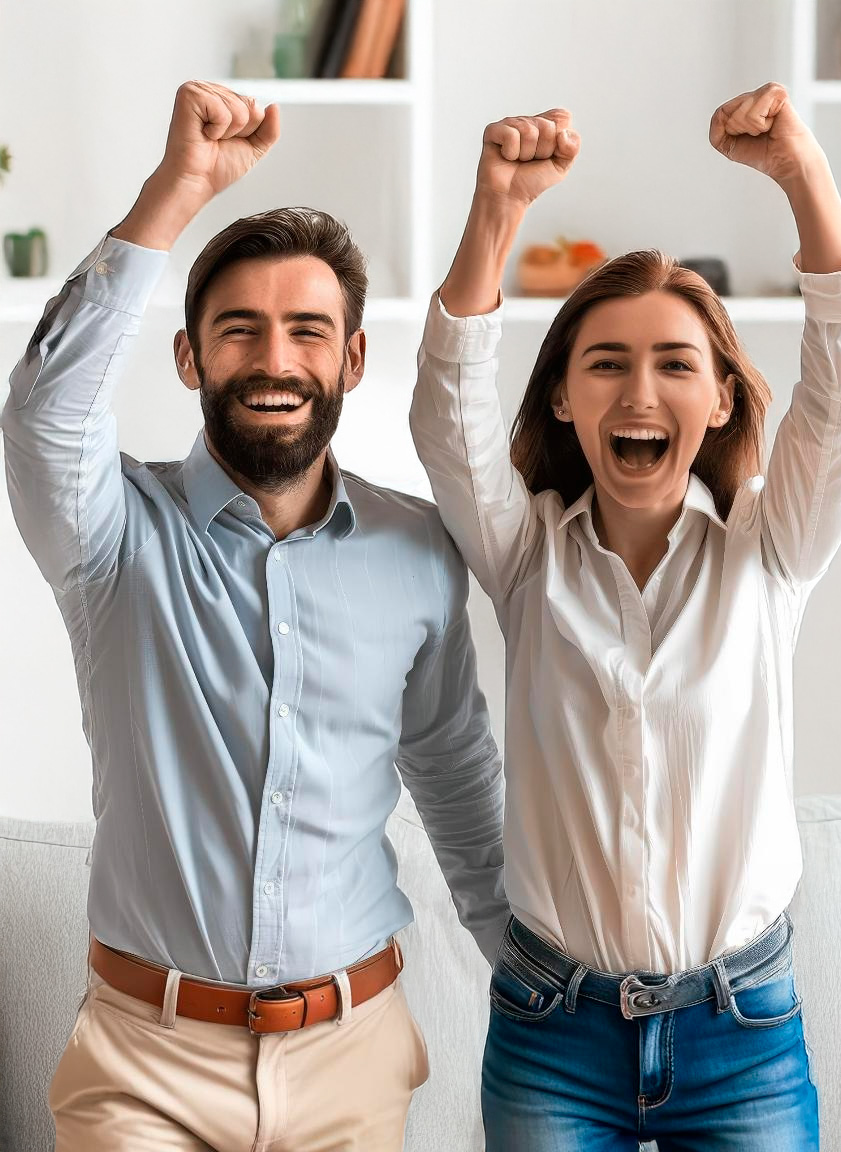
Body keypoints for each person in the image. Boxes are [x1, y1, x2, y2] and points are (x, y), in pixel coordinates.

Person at [1, 81, 508, 1151]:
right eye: (239, 331)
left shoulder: (417, 552)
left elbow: (459, 787)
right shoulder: (110, 534)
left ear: (350, 362)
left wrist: (550, 988)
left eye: (306, 331)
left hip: (352, 1057)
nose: (274, 360)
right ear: (190, 359)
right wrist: (175, 190)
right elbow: (45, 410)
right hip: (145, 1061)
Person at [409, 83, 841, 1150]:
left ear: (718, 400)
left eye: (675, 364)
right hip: (552, 1033)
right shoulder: (523, 551)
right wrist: (496, 208)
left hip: (741, 1032)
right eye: (605, 364)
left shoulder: (768, 553)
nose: (640, 389)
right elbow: (447, 417)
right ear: (560, 402)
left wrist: (801, 174)